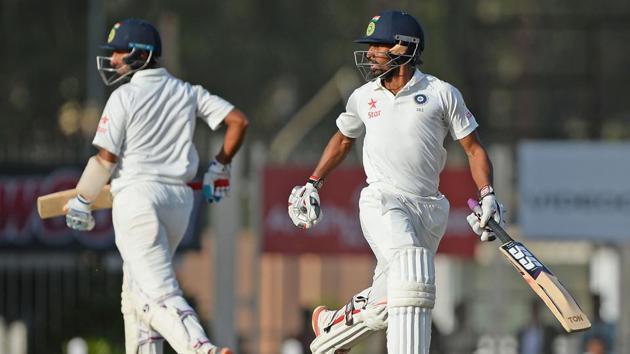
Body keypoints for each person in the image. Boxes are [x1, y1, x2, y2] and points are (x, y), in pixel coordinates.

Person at [287, 10, 503, 354]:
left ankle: (332, 326)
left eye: (378, 45)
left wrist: (488, 194)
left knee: (395, 297)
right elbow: (343, 140)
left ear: (404, 48)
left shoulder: (441, 93)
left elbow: (474, 149)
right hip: (383, 200)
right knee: (412, 276)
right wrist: (314, 183)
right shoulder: (363, 96)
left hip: (429, 209)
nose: (370, 53)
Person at [64, 19, 248, 354]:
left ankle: (200, 348)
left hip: (137, 200)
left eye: (119, 52)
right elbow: (238, 121)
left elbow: (105, 159)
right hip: (178, 204)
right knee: (134, 295)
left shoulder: (125, 95)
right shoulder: (188, 92)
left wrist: (82, 198)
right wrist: (219, 166)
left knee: (157, 293)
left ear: (141, 54)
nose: (114, 59)